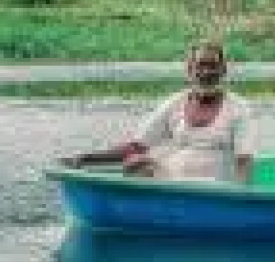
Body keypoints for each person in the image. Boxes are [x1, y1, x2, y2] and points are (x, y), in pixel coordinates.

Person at [92, 39, 255, 182]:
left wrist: (240, 197)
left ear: (223, 70)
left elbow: (244, 161)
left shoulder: (238, 108)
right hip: (173, 185)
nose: (206, 72)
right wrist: (87, 158)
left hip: (214, 190)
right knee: (134, 164)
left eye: (213, 66)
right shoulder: (175, 102)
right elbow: (137, 146)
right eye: (200, 66)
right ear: (190, 70)